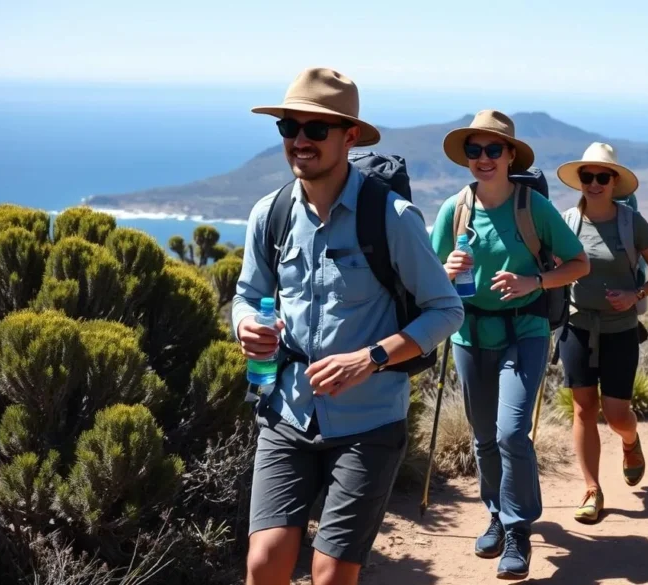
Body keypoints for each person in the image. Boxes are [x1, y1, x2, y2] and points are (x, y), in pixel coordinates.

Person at [234, 67, 464, 585]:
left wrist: (372, 357)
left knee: (332, 573)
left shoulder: (392, 217)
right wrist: (247, 323)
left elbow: (447, 309)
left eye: (316, 130)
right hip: (286, 413)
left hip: (369, 424)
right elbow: (247, 294)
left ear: (349, 135)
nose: (300, 140)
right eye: (289, 128)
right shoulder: (268, 214)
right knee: (263, 563)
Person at [430, 110, 589, 580]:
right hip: (471, 335)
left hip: (526, 332)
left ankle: (519, 530)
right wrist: (447, 271)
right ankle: (496, 514)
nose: (483, 158)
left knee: (510, 433)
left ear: (510, 155)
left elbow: (578, 264)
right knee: (483, 438)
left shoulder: (532, 207)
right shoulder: (453, 209)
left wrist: (532, 281)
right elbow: (426, 278)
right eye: (475, 150)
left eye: (493, 150)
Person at [553, 142, 648, 523]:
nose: (594, 183)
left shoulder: (630, 222)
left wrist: (635, 294)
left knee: (617, 412)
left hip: (621, 330)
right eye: (587, 176)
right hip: (577, 326)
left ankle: (629, 440)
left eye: (602, 176)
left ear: (614, 181)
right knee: (584, 408)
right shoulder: (566, 221)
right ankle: (592, 489)